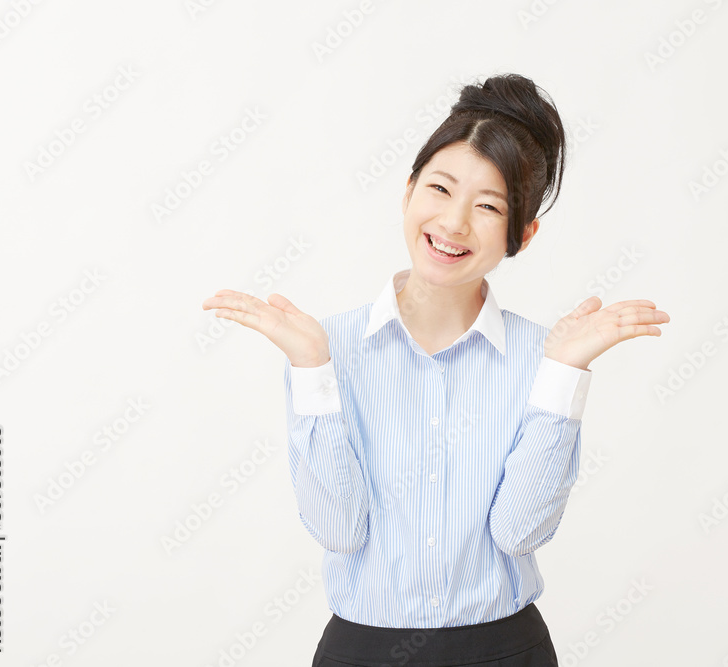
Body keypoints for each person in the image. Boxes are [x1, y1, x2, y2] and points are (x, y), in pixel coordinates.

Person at [202, 72, 669, 666]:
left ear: (523, 234)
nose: (453, 223)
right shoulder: (324, 346)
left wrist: (562, 375)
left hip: (504, 651)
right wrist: (312, 370)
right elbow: (339, 531)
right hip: (363, 651)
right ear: (408, 191)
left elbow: (519, 533)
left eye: (488, 206)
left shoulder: (544, 358)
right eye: (441, 189)